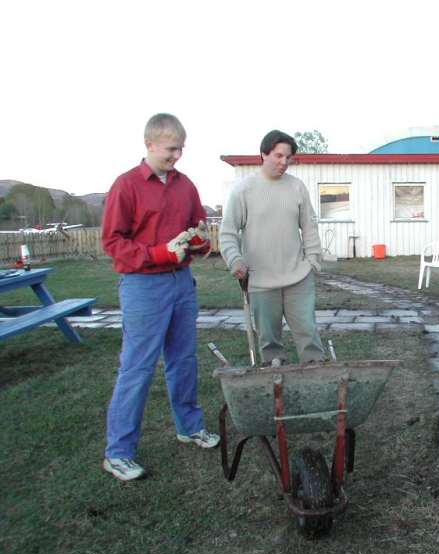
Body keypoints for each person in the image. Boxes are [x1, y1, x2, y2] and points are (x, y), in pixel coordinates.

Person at [101, 113, 219, 482]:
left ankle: (189, 427)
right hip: (143, 286)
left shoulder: (186, 185)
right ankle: (118, 453)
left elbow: (197, 229)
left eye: (181, 148)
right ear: (149, 144)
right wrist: (158, 253)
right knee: (137, 368)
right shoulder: (126, 185)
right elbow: (113, 242)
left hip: (181, 283)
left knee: (183, 360)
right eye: (170, 149)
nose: (176, 156)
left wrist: (200, 243)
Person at [219, 130, 325, 365]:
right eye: (278, 156)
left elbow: (309, 226)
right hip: (260, 280)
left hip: (298, 277)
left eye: (288, 157)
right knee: (269, 342)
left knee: (308, 333)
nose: (284, 162)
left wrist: (313, 262)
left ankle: (317, 376)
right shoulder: (243, 190)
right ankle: (274, 380)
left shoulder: (297, 187)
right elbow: (227, 233)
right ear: (264, 154)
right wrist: (234, 259)